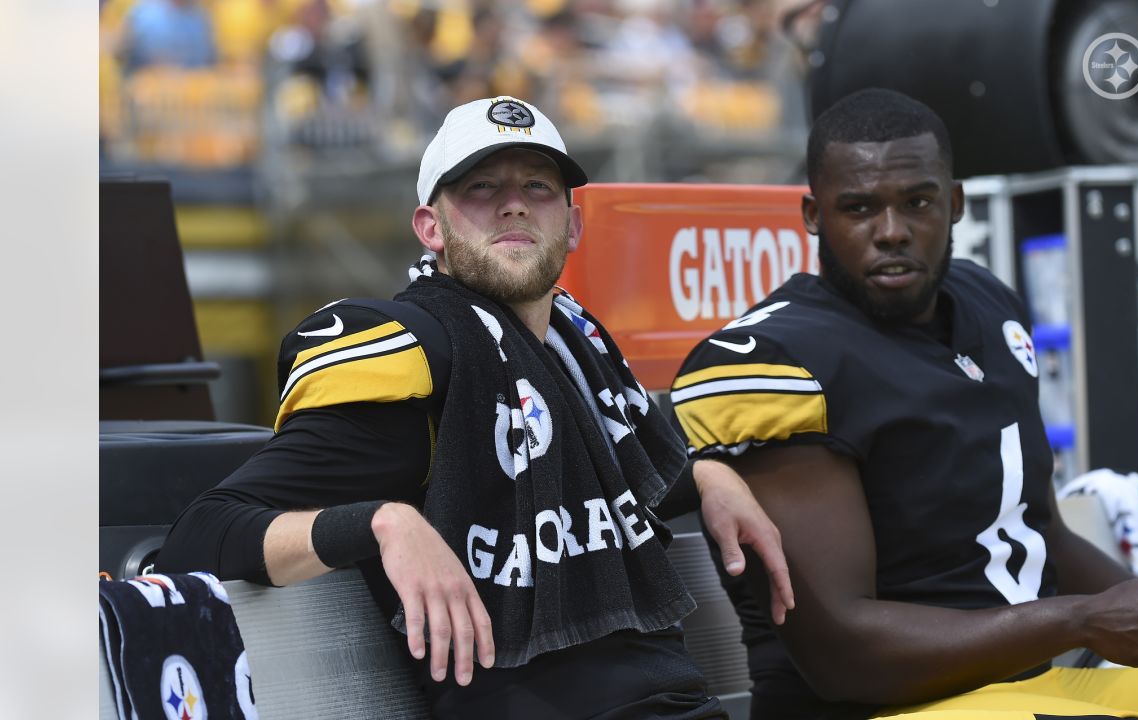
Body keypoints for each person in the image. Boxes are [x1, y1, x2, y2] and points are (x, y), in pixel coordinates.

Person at [156, 95, 793, 719]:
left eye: (539, 187)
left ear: (572, 226)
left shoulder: (579, 343)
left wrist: (707, 473)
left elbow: (603, 480)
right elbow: (200, 536)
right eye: (481, 186)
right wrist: (384, 523)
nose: (514, 201)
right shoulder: (419, 355)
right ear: (431, 228)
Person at [670, 88, 1138, 720]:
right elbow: (842, 657)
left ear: (956, 202)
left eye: (917, 202)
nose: (891, 232)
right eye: (858, 208)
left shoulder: (986, 302)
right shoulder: (774, 357)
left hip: (1028, 687)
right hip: (880, 706)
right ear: (812, 214)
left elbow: (1039, 527)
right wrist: (1083, 619)